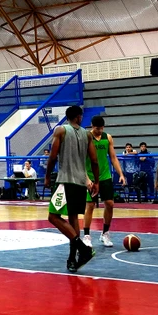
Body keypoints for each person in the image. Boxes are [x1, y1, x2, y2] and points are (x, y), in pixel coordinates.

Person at [45, 105, 98, 272]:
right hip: (80, 182)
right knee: (73, 219)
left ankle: (83, 248)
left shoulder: (60, 131)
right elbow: (94, 160)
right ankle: (72, 259)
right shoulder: (87, 134)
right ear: (78, 117)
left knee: (53, 217)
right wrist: (95, 181)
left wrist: (47, 176)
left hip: (65, 180)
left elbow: (53, 156)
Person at [85, 116, 126, 248]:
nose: (99, 130)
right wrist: (86, 178)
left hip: (105, 176)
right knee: (90, 205)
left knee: (109, 203)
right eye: (97, 128)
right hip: (91, 176)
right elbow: (79, 160)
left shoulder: (107, 137)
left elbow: (113, 157)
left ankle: (105, 233)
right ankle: (86, 235)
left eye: (102, 128)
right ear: (92, 126)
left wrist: (120, 174)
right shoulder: (86, 137)